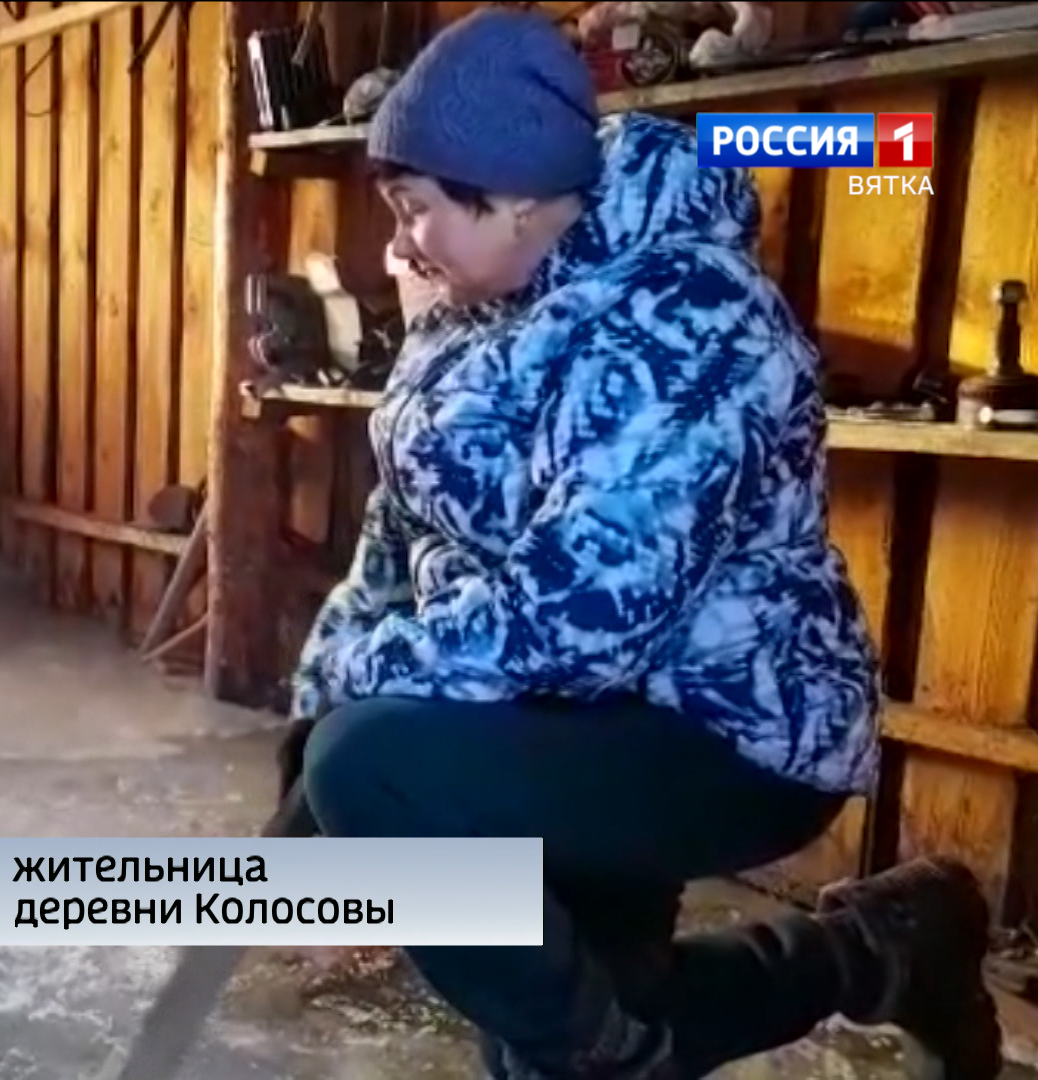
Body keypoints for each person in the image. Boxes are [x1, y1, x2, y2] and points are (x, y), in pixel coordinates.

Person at [274, 10, 1003, 1080]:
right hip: (567, 710)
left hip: (719, 732)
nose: (396, 245)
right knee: (563, 1015)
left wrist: (359, 715)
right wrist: (326, 687)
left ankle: (610, 1055)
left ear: (514, 197)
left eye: (413, 209)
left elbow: (580, 618)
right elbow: (406, 517)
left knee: (375, 772)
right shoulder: (483, 298)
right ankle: (885, 949)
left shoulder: (697, 327)